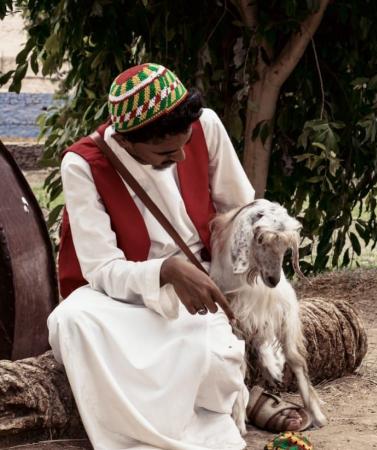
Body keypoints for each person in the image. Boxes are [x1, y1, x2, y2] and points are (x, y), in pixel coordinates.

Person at [47, 63, 302, 450]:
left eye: (185, 143)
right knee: (71, 319)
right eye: (166, 152)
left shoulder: (207, 125)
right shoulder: (82, 164)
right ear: (129, 141)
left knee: (211, 357)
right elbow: (101, 268)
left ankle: (236, 401)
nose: (182, 157)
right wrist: (164, 271)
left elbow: (240, 210)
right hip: (121, 294)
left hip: (200, 282)